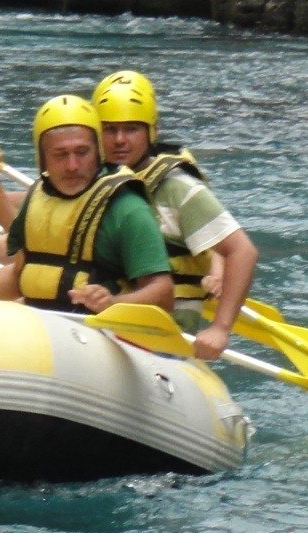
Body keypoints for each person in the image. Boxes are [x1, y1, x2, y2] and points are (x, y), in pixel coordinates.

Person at [0, 95, 174, 314]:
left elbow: (163, 293)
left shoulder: (126, 208)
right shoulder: (39, 197)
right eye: (61, 155)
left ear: (98, 152)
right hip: (44, 326)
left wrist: (113, 303)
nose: (73, 165)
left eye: (82, 152)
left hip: (97, 332)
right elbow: (22, 275)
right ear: (42, 159)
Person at [91, 70, 259, 360]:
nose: (119, 140)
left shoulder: (179, 188)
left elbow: (243, 251)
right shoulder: (94, 181)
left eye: (131, 129)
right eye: (109, 129)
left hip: (166, 334)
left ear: (151, 132)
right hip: (104, 323)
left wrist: (220, 328)